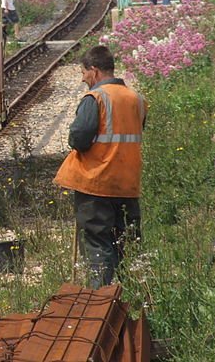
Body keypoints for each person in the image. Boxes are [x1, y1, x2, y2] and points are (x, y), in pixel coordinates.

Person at [54, 46, 147, 289]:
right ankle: (132, 299)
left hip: (96, 185)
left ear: (94, 71)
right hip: (127, 185)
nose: (83, 78)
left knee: (98, 244)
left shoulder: (95, 98)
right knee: (127, 244)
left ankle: (101, 302)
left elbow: (79, 138)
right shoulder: (136, 99)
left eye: (83, 72)